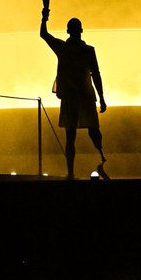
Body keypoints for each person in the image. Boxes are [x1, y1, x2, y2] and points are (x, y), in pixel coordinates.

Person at [40, 10, 108, 179]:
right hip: (85, 96)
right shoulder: (88, 51)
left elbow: (43, 34)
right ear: (81, 31)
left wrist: (44, 18)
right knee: (93, 130)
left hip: (71, 97)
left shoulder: (63, 48)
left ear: (68, 31)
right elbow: (96, 75)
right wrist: (102, 98)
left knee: (70, 137)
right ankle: (101, 156)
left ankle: (70, 171)